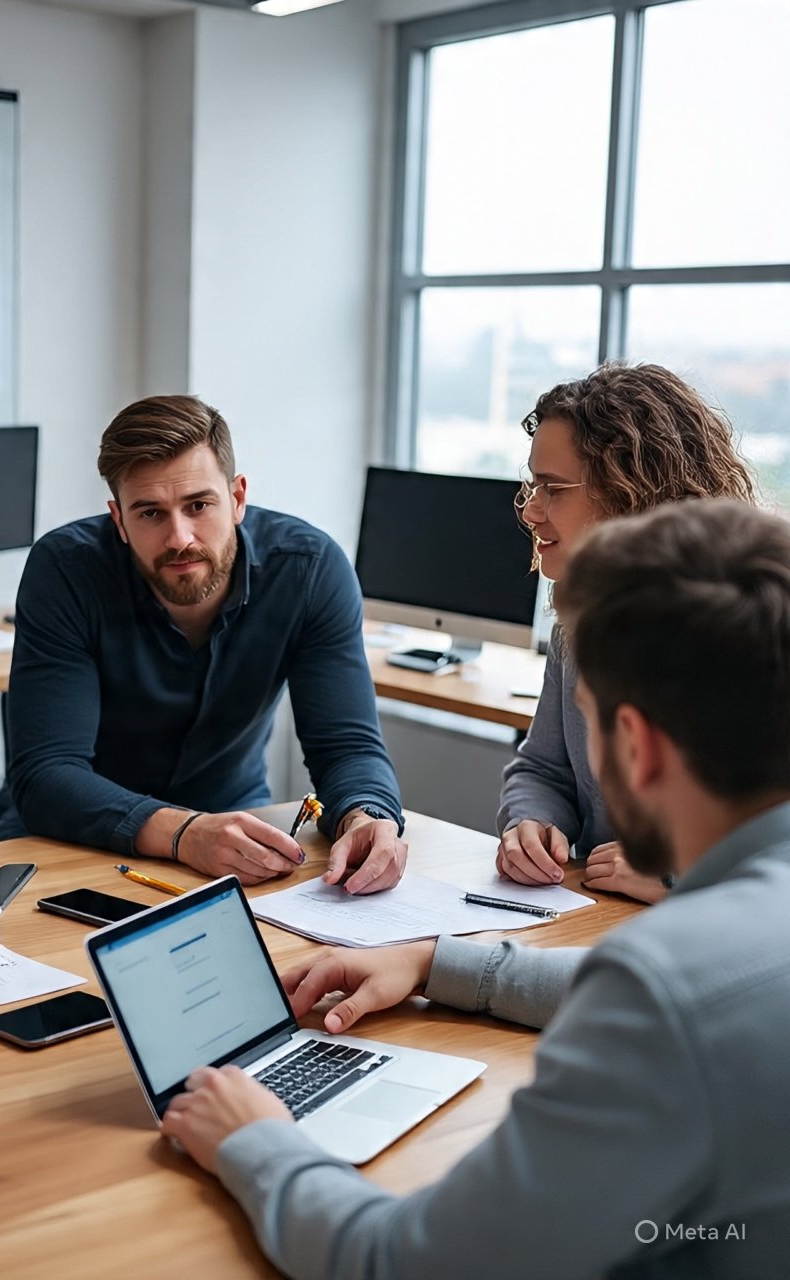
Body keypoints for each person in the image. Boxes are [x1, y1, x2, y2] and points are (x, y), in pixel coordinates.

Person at [161, 498, 790, 1278]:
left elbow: (397, 1264)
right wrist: (436, 961)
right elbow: (694, 1006)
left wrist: (254, 1138)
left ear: (637, 745)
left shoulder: (667, 989)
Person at [0, 394, 405, 893]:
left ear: (237, 498)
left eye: (198, 505)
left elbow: (346, 746)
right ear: (118, 519)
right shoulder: (66, 570)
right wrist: (184, 832)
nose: (179, 537)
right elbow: (45, 776)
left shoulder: (309, 570)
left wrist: (363, 818)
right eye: (150, 513)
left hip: (236, 833)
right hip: (73, 835)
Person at [498, 362, 755, 903]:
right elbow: (542, 767)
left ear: (628, 492)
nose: (531, 511)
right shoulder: (580, 624)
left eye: (553, 489)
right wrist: (531, 823)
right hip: (590, 915)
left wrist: (675, 878)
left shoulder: (745, 636)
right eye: (531, 485)